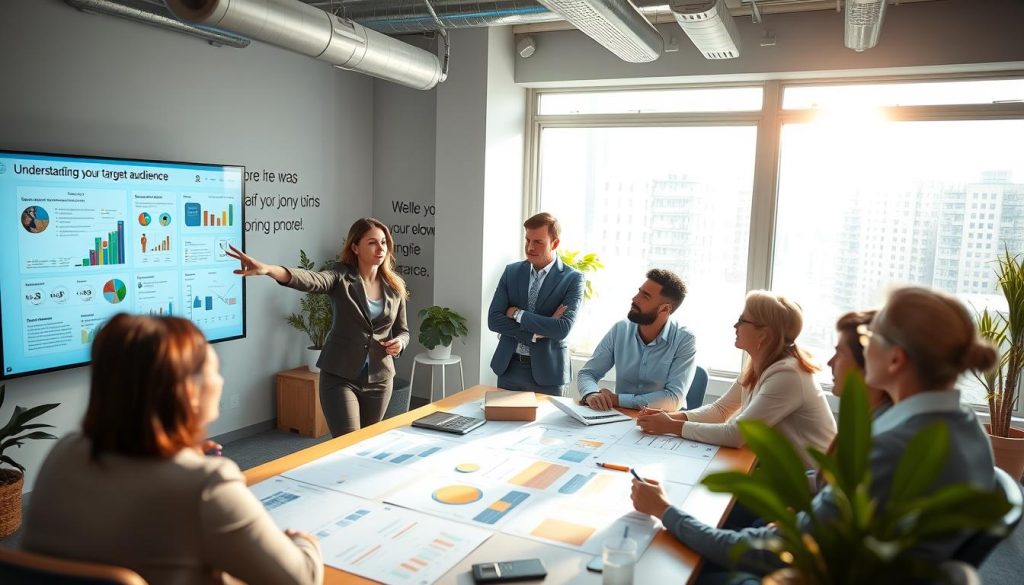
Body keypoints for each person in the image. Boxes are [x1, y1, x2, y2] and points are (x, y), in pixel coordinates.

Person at [630, 286, 998, 576]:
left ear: (895, 359)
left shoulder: (891, 446)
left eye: (868, 343)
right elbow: (825, 492)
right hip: (849, 558)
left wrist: (666, 511)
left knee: (659, 565)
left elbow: (768, 552)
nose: (832, 361)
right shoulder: (959, 426)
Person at [23, 314, 323, 585]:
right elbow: (300, 579)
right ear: (190, 393)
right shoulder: (206, 485)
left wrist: (184, 457)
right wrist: (305, 542)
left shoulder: (64, 452)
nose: (220, 381)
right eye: (214, 370)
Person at [226, 217, 409, 436]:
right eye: (372, 242)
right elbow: (311, 279)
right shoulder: (340, 276)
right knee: (348, 442)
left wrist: (400, 342)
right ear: (355, 247)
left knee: (367, 445)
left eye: (383, 242)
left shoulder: (394, 286)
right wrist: (269, 270)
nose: (380, 248)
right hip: (340, 376)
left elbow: (403, 331)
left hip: (379, 378)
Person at [636, 290, 836, 468]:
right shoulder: (760, 362)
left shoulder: (788, 375)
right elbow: (721, 410)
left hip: (806, 489)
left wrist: (671, 426)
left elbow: (737, 434)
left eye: (742, 320)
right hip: (778, 473)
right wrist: (669, 417)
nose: (735, 325)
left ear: (763, 335)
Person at [487, 212, 585, 396]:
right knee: (500, 423)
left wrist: (517, 314)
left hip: (548, 373)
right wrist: (534, 334)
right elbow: (494, 320)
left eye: (538, 241)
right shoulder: (512, 272)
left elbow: (561, 329)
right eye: (527, 240)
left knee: (548, 425)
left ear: (555, 243)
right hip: (509, 368)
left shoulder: (573, 279)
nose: (530, 247)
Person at [577, 269, 696, 411]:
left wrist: (618, 399)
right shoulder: (620, 329)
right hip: (620, 416)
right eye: (639, 292)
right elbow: (588, 373)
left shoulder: (685, 340)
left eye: (645, 296)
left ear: (664, 309)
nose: (634, 298)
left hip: (663, 421)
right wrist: (591, 394)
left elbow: (673, 399)